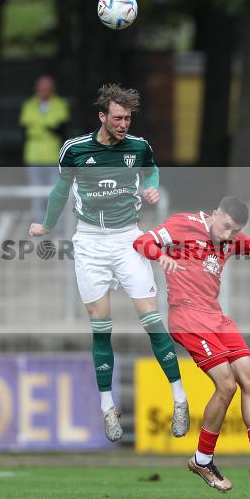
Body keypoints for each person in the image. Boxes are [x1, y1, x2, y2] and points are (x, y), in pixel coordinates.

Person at [29, 83, 189, 442]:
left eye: (128, 118)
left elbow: (151, 171)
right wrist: (47, 225)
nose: (123, 124)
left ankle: (179, 397)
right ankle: (107, 407)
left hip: (126, 238)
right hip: (88, 242)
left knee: (151, 318)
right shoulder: (75, 150)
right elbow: (59, 190)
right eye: (117, 118)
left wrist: (151, 186)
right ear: (101, 116)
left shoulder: (138, 146)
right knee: (101, 326)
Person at [133, 197, 250, 491]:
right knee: (227, 385)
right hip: (187, 315)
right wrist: (161, 256)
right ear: (214, 214)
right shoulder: (183, 224)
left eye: (234, 232)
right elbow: (143, 241)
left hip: (216, 317)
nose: (228, 236)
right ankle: (202, 459)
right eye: (225, 227)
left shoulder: (232, 238)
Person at [20, 74, 70, 221]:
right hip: (34, 156)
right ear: (36, 88)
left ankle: (58, 228)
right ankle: (38, 228)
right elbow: (24, 130)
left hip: (54, 156)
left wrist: (37, 127)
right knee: (36, 195)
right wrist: (47, 125)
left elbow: (61, 129)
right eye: (42, 87)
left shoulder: (60, 104)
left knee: (56, 195)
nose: (44, 90)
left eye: (48, 87)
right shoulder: (29, 105)